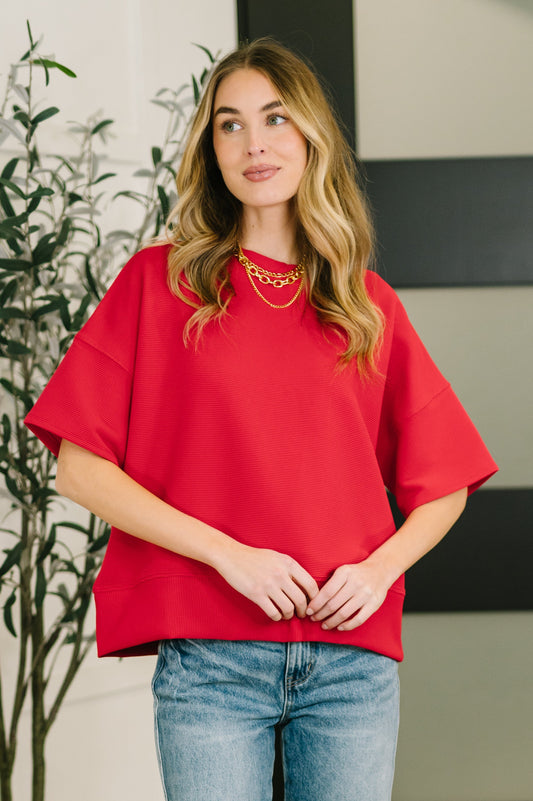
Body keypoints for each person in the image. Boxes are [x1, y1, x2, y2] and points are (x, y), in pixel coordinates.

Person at [25, 38, 497, 801]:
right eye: (229, 124)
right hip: (211, 661)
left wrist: (379, 571)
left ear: (311, 136)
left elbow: (444, 480)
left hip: (350, 662)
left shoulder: (366, 307)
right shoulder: (159, 282)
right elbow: (78, 467)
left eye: (275, 119)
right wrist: (228, 555)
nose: (254, 143)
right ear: (209, 149)